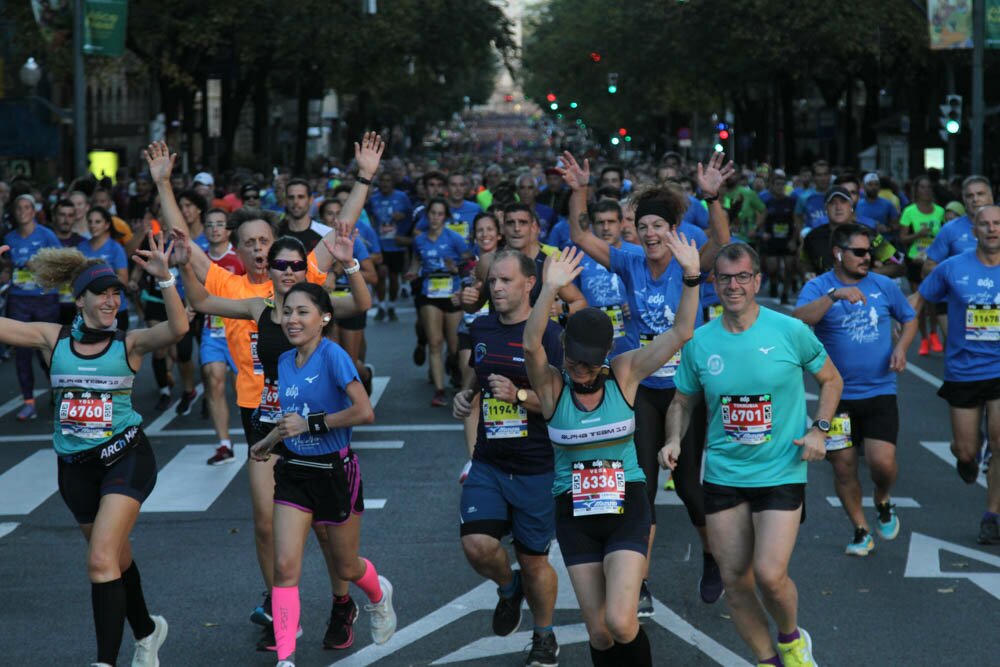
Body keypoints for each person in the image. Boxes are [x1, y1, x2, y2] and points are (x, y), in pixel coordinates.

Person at [178, 222, 373, 650]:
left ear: (306, 269)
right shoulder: (257, 308)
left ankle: (342, 603)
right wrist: (177, 269)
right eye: (278, 264)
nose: (286, 270)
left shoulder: (317, 308)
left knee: (324, 530)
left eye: (295, 264)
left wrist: (350, 262)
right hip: (269, 429)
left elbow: (361, 302)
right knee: (267, 524)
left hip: (315, 430)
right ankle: (282, 610)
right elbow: (200, 300)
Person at [0, 232, 186, 666]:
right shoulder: (54, 338)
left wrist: (165, 280)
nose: (109, 302)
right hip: (75, 469)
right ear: (78, 299)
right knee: (117, 559)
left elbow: (178, 328)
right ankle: (147, 630)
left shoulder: (129, 343)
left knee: (100, 559)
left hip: (126, 458)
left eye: (115, 295)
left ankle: (104, 662)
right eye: (100, 294)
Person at [561, 150, 733, 613]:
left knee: (693, 489)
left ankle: (713, 558)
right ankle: (639, 581)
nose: (651, 233)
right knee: (641, 484)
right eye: (645, 226)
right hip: (640, 389)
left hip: (685, 390)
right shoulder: (629, 261)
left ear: (673, 230)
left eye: (660, 226)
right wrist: (580, 185)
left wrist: (712, 196)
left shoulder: (689, 259)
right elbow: (579, 234)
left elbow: (723, 239)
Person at [661, 242, 842, 667]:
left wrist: (819, 430)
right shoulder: (700, 341)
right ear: (715, 284)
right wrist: (672, 440)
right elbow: (682, 402)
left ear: (757, 281)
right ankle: (767, 661)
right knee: (735, 581)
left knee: (769, 575)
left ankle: (791, 639)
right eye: (724, 278)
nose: (734, 285)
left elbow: (831, 380)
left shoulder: (789, 330)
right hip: (724, 473)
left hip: (781, 469)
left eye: (743, 276)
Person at [523, 236, 700, 667]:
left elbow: (681, 332)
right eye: (572, 361)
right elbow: (530, 346)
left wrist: (692, 276)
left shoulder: (625, 372)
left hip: (626, 507)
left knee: (622, 622)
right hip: (575, 515)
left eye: (587, 364)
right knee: (600, 634)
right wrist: (549, 288)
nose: (578, 372)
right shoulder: (551, 386)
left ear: (605, 355)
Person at [249, 282, 396, 667]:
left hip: (334, 470)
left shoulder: (335, 357)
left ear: (324, 318)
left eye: (303, 312)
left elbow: (364, 412)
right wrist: (267, 441)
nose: (292, 320)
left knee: (346, 566)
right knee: (285, 567)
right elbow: (290, 420)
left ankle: (379, 596)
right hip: (295, 472)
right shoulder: (283, 361)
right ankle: (285, 660)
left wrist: (312, 425)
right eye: (288, 312)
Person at [452, 249, 563, 667]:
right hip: (490, 462)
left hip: (537, 466)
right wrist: (467, 396)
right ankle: (506, 586)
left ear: (529, 284)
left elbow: (557, 405)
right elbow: (476, 377)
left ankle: (544, 635)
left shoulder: (549, 336)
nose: (495, 288)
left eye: (504, 281)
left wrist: (517, 395)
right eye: (492, 281)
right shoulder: (481, 327)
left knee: (536, 562)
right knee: (478, 546)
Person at [793, 224, 917, 555]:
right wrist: (834, 296)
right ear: (838, 254)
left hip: (879, 390)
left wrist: (902, 348)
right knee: (844, 466)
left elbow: (909, 316)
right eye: (860, 253)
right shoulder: (819, 287)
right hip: (837, 398)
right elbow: (799, 318)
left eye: (870, 253)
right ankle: (861, 529)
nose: (868, 259)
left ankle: (882, 498)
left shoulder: (883, 285)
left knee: (882, 464)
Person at [913, 204, 1000, 545]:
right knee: (965, 450)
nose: (992, 229)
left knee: (999, 439)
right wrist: (897, 332)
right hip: (963, 369)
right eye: (985, 224)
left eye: (998, 223)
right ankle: (967, 457)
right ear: (973, 230)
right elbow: (920, 300)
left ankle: (992, 514)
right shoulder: (952, 268)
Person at [405, 197, 471, 406]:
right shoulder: (420, 239)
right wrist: (413, 272)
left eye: (440, 214)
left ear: (446, 217)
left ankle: (455, 372)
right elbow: (416, 261)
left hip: (451, 295)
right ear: (427, 215)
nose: (435, 218)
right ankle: (440, 390)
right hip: (429, 295)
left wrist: (457, 269)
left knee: (454, 347)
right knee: (435, 342)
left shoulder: (454, 238)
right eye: (432, 213)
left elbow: (468, 261)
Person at [4, 193, 63, 421]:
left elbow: (60, 262)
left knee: (47, 350)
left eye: (27, 207)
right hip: (19, 298)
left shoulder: (46, 235)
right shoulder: (10, 236)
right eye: (18, 207)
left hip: (44, 298)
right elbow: (6, 266)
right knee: (22, 352)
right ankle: (28, 401)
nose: (22, 211)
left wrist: (38, 264)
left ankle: (59, 395)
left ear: (34, 210)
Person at [455, 212, 502, 482]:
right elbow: (462, 296)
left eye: (489, 230)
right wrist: (462, 297)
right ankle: (473, 460)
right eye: (480, 230)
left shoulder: (510, 262)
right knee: (471, 390)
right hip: (470, 328)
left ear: (499, 234)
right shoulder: (466, 263)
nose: (485, 235)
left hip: (499, 332)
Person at [199, 207, 245, 464]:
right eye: (210, 224)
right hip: (212, 332)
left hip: (240, 332)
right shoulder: (200, 259)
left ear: (228, 230)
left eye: (220, 224)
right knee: (214, 379)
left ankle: (267, 437)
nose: (215, 228)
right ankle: (224, 444)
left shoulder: (239, 258)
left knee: (247, 388)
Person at [898, 175, 945, 355]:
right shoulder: (909, 211)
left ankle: (934, 334)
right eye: (922, 187)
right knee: (920, 302)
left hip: (934, 261)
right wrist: (919, 234)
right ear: (916, 190)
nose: (926, 191)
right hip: (915, 260)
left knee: (933, 300)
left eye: (928, 187)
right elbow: (902, 238)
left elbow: (946, 236)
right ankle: (924, 339)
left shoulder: (940, 212)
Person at [369, 170, 413, 321]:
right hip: (380, 244)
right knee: (381, 275)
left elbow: (410, 216)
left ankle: (392, 305)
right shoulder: (373, 199)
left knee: (394, 278)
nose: (385, 184)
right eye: (382, 180)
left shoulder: (402, 197)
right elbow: (368, 217)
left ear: (393, 183)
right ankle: (381, 306)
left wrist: (403, 219)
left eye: (388, 180)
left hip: (396, 244)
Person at [78, 206, 131, 331]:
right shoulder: (81, 247)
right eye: (90, 222)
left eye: (97, 222)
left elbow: (123, 280)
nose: (92, 225)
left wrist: (97, 275)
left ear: (107, 225)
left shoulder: (116, 248)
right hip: (89, 310)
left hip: (113, 309)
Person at [758, 170, 798, 304]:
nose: (780, 187)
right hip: (772, 239)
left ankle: (785, 293)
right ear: (772, 186)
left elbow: (796, 222)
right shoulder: (767, 202)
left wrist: (794, 239)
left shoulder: (791, 202)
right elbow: (761, 220)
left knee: (789, 267)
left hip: (787, 239)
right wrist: (762, 232)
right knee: (772, 268)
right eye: (777, 184)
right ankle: (774, 282)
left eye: (782, 184)